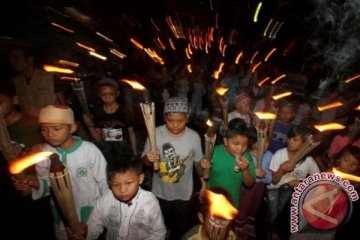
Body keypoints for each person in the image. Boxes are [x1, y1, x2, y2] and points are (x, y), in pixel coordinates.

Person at [12, 105, 109, 240]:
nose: (50, 134)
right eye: (44, 129)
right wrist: (33, 183)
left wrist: (108, 212)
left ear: (72, 128)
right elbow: (47, 185)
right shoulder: (44, 153)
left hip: (90, 213)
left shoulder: (89, 151)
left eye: (56, 128)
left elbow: (104, 184)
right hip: (61, 214)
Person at [67, 146, 166, 240]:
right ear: (109, 183)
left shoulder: (150, 201)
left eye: (128, 183)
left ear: (140, 179)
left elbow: (159, 232)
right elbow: (95, 225)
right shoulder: (105, 200)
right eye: (115, 185)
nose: (122, 190)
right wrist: (85, 232)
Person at [142, 97, 204, 240]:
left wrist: (204, 183)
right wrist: (149, 159)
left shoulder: (194, 137)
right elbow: (144, 162)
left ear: (187, 118)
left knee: (181, 225)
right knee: (159, 224)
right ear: (164, 118)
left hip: (184, 193)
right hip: (160, 192)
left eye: (180, 121)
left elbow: (198, 165)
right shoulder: (155, 132)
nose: (175, 125)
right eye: (171, 121)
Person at [267, 124, 321, 239]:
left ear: (305, 144)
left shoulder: (309, 161)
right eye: (290, 138)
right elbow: (274, 181)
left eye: (295, 139)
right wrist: (282, 169)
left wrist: (301, 184)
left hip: (290, 192)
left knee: (282, 213)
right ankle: (269, 232)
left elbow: (319, 181)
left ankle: (276, 231)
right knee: (272, 213)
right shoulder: (279, 154)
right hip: (274, 189)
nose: (290, 141)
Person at [201, 118, 256, 209]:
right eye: (236, 144)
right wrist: (203, 165)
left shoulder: (246, 157)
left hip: (231, 202)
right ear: (225, 141)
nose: (240, 148)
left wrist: (245, 170)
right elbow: (200, 172)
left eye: (244, 144)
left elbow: (249, 184)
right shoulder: (214, 151)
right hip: (212, 199)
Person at [83, 78, 138, 161]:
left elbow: (131, 133)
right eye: (103, 94)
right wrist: (89, 125)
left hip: (122, 149)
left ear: (117, 94)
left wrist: (134, 151)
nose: (107, 97)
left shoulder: (124, 111)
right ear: (99, 95)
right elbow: (98, 137)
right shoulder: (97, 112)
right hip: (106, 150)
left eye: (110, 94)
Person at [235, 129, 273, 240]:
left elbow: (271, 177)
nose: (266, 145)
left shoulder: (270, 155)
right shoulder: (245, 155)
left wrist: (265, 175)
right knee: (243, 208)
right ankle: (239, 230)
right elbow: (237, 172)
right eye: (262, 142)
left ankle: (248, 226)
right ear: (253, 143)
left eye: (267, 142)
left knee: (254, 207)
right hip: (246, 189)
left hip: (259, 188)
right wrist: (252, 171)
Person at [9, 44, 65, 117]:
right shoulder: (15, 82)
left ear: (30, 59)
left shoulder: (50, 77)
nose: (12, 61)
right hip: (28, 125)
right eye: (10, 58)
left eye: (16, 58)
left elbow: (64, 106)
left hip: (50, 125)